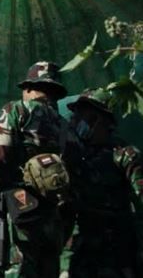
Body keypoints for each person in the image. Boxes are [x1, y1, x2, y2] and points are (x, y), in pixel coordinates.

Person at [0, 61, 77, 278]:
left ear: (28, 88)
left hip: (18, 209)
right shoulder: (65, 127)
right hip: (52, 217)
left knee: (12, 270)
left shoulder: (16, 110)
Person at [61, 88, 143, 278]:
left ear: (104, 121)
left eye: (86, 116)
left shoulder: (124, 155)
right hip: (76, 251)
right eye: (76, 115)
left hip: (112, 253)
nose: (77, 121)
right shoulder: (70, 154)